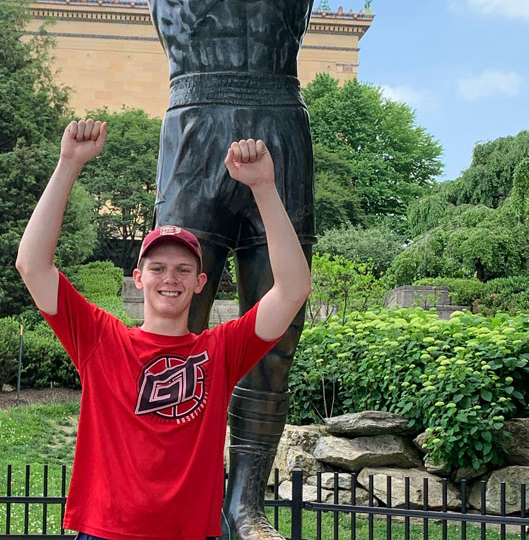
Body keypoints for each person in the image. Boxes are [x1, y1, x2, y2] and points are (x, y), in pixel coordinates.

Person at [55, 0, 432, 537]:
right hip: (193, 129)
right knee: (174, 327)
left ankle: (245, 500)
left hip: (278, 127)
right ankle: (174, 481)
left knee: (276, 325)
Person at [16, 119, 312, 540]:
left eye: (182, 269)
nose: (169, 278)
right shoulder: (102, 339)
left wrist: (264, 187)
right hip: (105, 533)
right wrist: (68, 164)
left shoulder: (221, 350)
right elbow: (32, 265)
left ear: (200, 282)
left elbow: (294, 288)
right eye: (157, 268)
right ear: (139, 278)